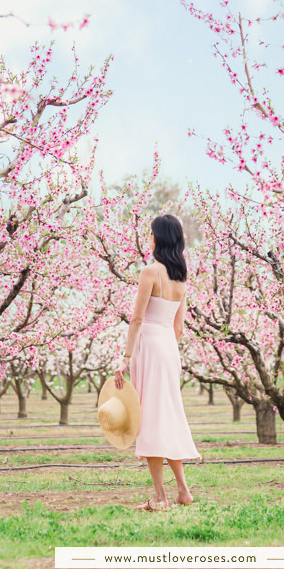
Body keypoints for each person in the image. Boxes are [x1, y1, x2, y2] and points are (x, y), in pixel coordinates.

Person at [114, 214, 200, 511]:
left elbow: (137, 318)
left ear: (158, 238)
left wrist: (126, 358)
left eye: (151, 233)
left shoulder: (151, 272)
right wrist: (169, 354)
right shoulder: (180, 277)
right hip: (168, 348)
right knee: (165, 416)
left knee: (148, 420)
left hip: (148, 346)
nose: (149, 238)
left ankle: (162, 497)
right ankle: (183, 490)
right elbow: (178, 327)